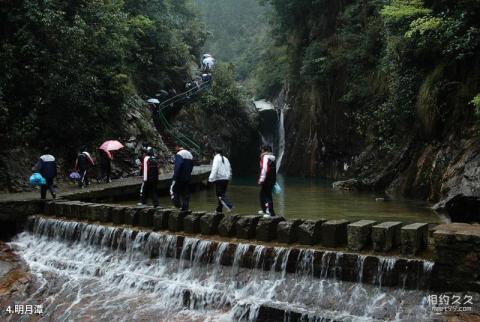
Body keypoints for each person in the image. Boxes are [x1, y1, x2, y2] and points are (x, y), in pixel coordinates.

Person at [208, 148, 233, 214]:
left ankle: (229, 206)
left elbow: (215, 168)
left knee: (219, 195)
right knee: (222, 194)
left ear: (215, 153)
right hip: (226, 179)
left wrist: (210, 178)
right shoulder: (226, 158)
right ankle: (219, 210)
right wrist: (229, 177)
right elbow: (229, 168)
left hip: (219, 179)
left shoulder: (216, 158)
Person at [170, 145, 193, 211]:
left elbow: (177, 166)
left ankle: (178, 206)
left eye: (176, 147)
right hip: (187, 177)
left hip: (179, 177)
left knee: (173, 190)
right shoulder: (190, 154)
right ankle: (185, 208)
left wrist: (175, 177)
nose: (175, 149)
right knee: (186, 193)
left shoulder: (179, 154)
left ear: (178, 147)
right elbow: (191, 166)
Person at [258, 145, 276, 217]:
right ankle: (264, 210)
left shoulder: (265, 157)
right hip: (272, 179)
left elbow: (264, 168)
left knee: (267, 195)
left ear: (264, 150)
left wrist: (262, 179)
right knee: (263, 194)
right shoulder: (273, 158)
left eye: (261, 149)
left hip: (266, 179)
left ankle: (270, 213)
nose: (261, 151)